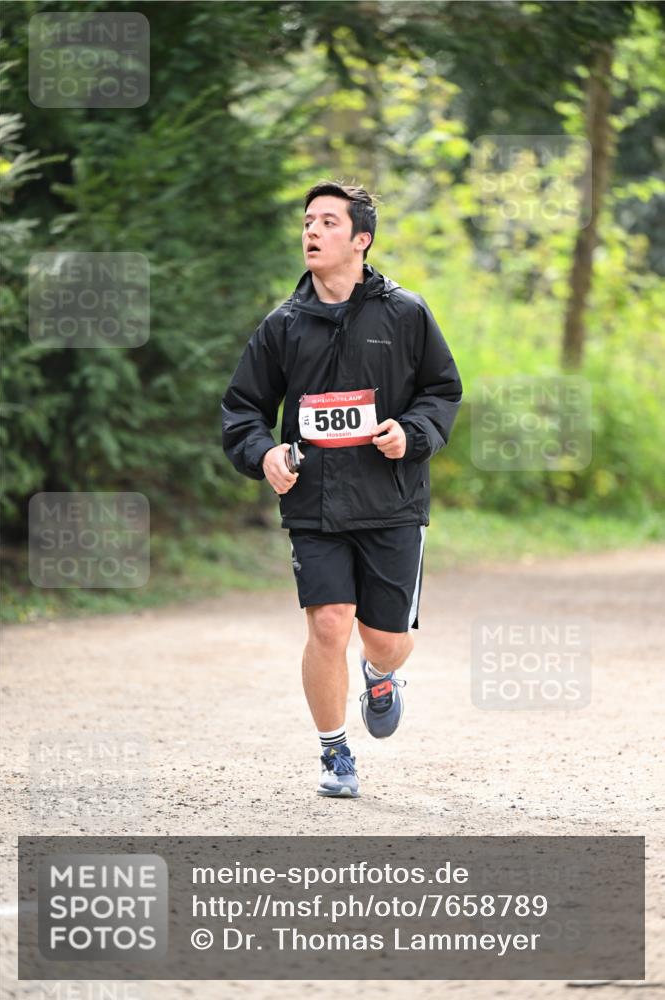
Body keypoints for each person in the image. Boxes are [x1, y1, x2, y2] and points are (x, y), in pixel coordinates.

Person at [221, 180, 462, 799]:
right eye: (307, 221)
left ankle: (379, 675)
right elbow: (243, 408)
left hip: (392, 501)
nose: (311, 231)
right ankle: (334, 752)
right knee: (328, 623)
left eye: (328, 222)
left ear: (361, 240)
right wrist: (265, 452)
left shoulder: (407, 313)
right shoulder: (283, 325)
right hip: (314, 502)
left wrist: (412, 433)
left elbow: (442, 390)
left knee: (386, 638)